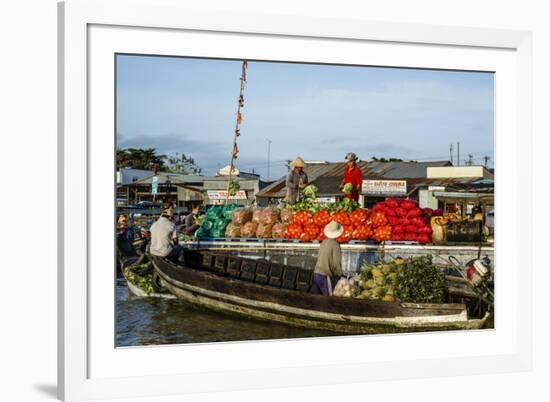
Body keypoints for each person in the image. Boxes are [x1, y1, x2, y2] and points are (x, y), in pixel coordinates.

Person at [313, 221, 344, 296]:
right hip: (325, 275)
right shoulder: (335, 245)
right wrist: (341, 275)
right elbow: (336, 263)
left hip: (316, 273)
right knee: (328, 298)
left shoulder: (323, 242)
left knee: (317, 298)